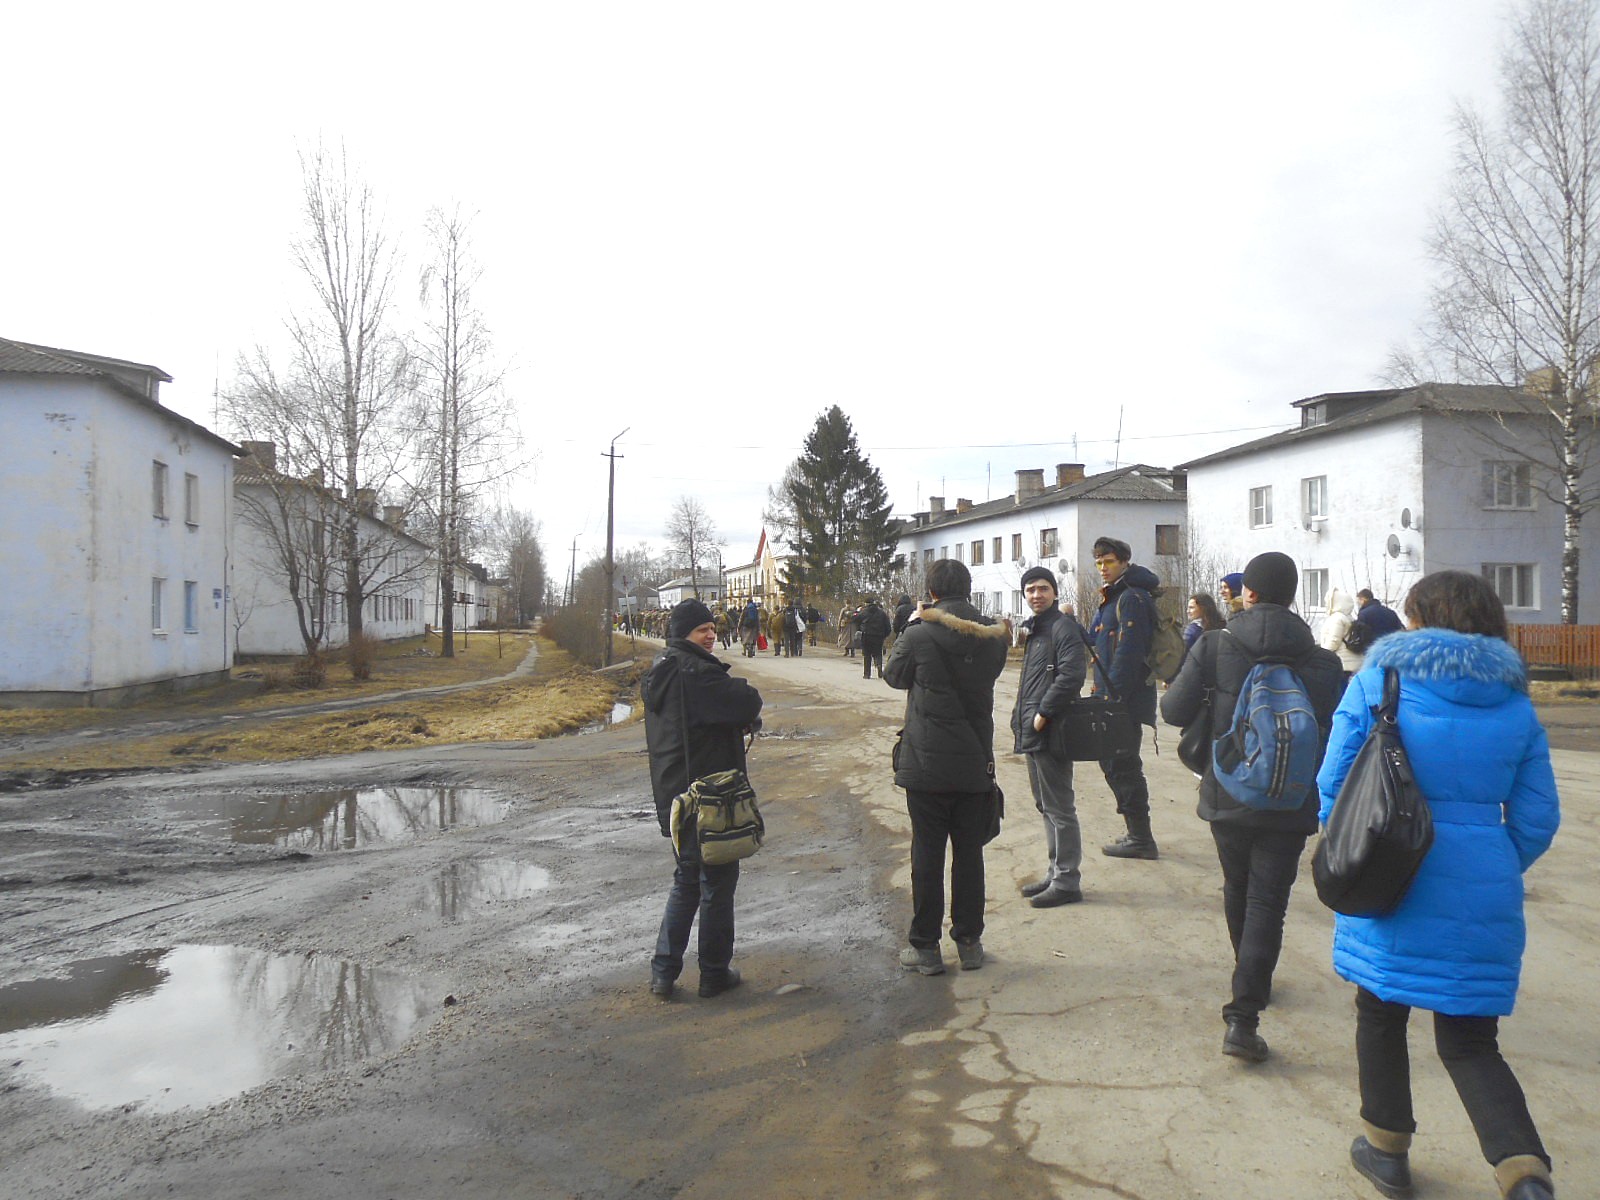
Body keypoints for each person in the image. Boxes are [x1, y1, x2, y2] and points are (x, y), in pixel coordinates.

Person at [1316, 571, 1559, 1200]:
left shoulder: (1379, 681)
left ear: (1419, 619)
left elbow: (1334, 780)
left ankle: (1387, 1153)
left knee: (1380, 1011)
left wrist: (1346, 849)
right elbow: (1537, 819)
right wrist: (1491, 864)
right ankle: (1524, 1174)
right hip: (1484, 886)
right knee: (1472, 1041)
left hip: (1390, 870)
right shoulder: (1515, 703)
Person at [1161, 552, 1343, 1063]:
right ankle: (1245, 1010)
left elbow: (1172, 710)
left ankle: (1248, 976)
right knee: (1269, 901)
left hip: (1229, 790)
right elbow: (1333, 728)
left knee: (1237, 885)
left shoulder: (1217, 645)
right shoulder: (1324, 661)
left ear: (1250, 593)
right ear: (1291, 597)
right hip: (1291, 799)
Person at [884, 559, 1009, 974]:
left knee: (927, 853)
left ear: (932, 592)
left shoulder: (919, 633)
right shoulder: (994, 638)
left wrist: (912, 625)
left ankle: (925, 947)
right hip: (975, 761)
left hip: (926, 762)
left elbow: (894, 676)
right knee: (970, 854)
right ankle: (969, 942)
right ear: (968, 590)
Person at [642, 599, 764, 1001]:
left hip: (675, 796)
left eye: (712, 628)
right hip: (708, 799)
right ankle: (713, 972)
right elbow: (746, 700)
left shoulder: (662, 670)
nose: (711, 635)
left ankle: (663, 973)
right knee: (716, 883)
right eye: (702, 630)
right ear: (684, 635)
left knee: (687, 881)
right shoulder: (694, 672)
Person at [1010, 566, 1088, 908]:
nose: (1036, 594)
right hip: (1033, 729)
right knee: (1045, 805)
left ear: (1055, 592)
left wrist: (1043, 713)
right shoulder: (1037, 630)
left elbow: (1073, 673)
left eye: (1043, 588)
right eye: (1030, 589)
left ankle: (1068, 880)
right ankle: (1056, 871)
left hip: (1051, 729)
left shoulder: (1062, 627)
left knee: (1059, 806)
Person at [1087, 537, 1162, 859]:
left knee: (1123, 765)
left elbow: (1129, 654)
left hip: (1123, 701)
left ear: (1125, 561)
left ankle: (1141, 838)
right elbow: (1098, 640)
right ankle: (1136, 833)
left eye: (1109, 562)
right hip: (1112, 697)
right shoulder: (1114, 596)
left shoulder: (1132, 598)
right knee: (1115, 763)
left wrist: (1111, 700)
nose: (1103, 568)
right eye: (1099, 563)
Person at [1320, 587, 1364, 678]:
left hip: (1343, 663)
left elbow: (1334, 640)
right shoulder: (1348, 617)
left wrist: (1322, 653)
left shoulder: (1337, 618)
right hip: (1353, 662)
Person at [859, 596, 892, 679]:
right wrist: (884, 635)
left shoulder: (864, 612)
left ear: (866, 603)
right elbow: (888, 627)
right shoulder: (882, 613)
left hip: (866, 635)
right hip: (878, 637)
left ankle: (867, 674)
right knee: (877, 654)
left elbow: (856, 620)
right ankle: (879, 667)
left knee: (867, 655)